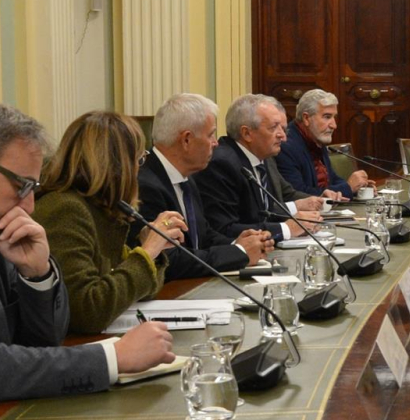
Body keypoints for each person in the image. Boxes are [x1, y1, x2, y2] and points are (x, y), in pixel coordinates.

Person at [0, 104, 174, 401]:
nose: (30, 207)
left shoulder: (1, 235)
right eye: (21, 186)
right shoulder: (60, 208)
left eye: (33, 187)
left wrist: (38, 275)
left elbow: (43, 343)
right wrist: (113, 358)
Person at [34, 111, 187, 335]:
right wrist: (146, 252)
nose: (139, 170)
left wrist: (148, 251)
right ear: (119, 166)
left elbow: (142, 290)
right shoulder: (66, 209)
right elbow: (88, 311)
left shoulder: (98, 206)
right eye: (139, 160)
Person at [136, 93, 275, 281]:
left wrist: (240, 242)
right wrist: (239, 252)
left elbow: (203, 235)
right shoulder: (145, 185)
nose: (215, 143)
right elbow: (170, 261)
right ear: (186, 140)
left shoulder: (186, 176)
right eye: (210, 135)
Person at [195, 94, 323, 242]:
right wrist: (286, 229)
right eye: (274, 127)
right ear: (247, 133)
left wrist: (299, 219)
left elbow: (263, 214)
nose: (283, 137)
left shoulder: (262, 157)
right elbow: (224, 229)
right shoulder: (222, 164)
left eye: (283, 129)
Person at [277, 89, 370, 199]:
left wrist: (358, 187)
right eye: (327, 117)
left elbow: (331, 179)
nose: (334, 125)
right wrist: (348, 187)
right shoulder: (285, 146)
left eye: (334, 117)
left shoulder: (315, 137)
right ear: (306, 118)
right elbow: (297, 194)